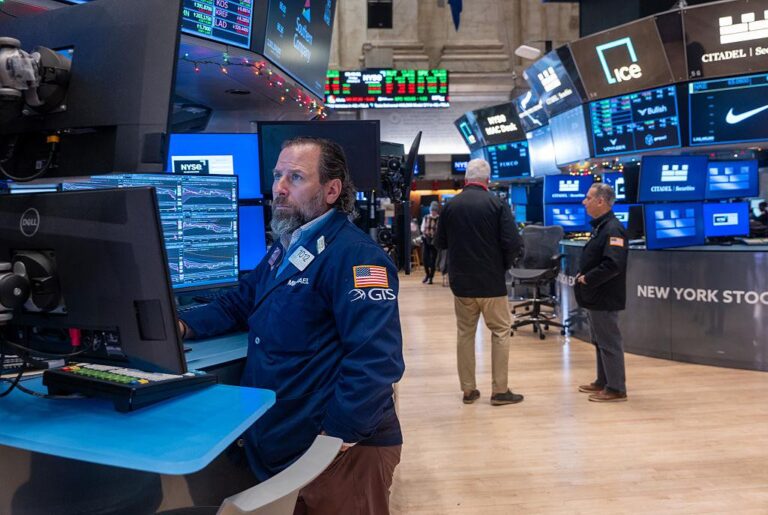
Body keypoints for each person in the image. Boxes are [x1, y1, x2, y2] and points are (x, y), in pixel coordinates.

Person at [178, 137, 405, 514]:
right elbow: (240, 301)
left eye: (295, 177)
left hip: (339, 453)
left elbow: (375, 360)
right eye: (277, 176)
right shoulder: (287, 245)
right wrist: (182, 324)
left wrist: (334, 438)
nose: (279, 188)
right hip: (289, 439)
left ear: (331, 190)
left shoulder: (357, 257)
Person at [434, 158, 524, 406]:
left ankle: (468, 390)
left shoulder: (451, 206)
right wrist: (503, 265)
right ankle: (500, 390)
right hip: (492, 282)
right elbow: (512, 242)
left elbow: (439, 242)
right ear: (488, 180)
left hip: (461, 283)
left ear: (466, 179)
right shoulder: (497, 204)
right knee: (501, 331)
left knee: (465, 334)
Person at [575, 182, 629, 403]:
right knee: (600, 341)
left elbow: (613, 264)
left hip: (605, 295)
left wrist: (588, 278)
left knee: (609, 342)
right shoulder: (601, 227)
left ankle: (616, 388)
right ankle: (603, 380)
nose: (584, 202)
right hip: (596, 295)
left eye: (588, 198)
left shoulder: (613, 229)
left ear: (600, 201)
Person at [420, 201, 440, 284]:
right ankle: (427, 275)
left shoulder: (439, 219)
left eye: (434, 210)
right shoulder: (426, 217)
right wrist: (426, 234)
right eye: (432, 210)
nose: (433, 212)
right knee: (425, 259)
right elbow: (422, 228)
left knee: (433, 260)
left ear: (437, 211)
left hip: (435, 241)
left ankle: (431, 277)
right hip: (426, 240)